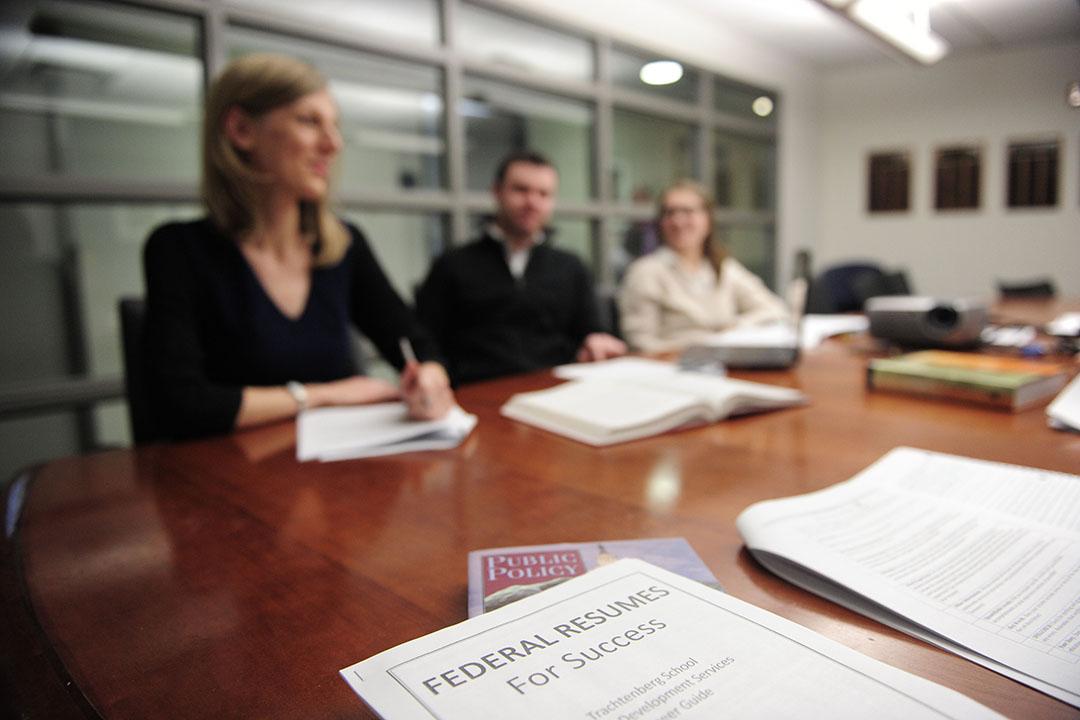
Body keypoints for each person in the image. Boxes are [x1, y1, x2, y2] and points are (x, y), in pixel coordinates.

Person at [143, 53, 453, 439]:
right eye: (309, 121)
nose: (333, 144)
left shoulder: (343, 244)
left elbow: (415, 343)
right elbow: (181, 405)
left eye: (334, 126)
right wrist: (325, 395)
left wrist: (430, 375)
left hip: (336, 464)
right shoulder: (178, 250)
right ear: (241, 130)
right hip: (231, 469)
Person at [415, 151, 626, 384]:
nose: (532, 202)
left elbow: (591, 330)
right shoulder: (453, 265)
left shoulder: (571, 266)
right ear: (497, 191)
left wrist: (596, 341)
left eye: (543, 194)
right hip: (478, 390)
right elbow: (425, 341)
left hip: (555, 387)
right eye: (521, 190)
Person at [618, 179, 789, 353]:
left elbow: (775, 310)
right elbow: (641, 344)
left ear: (708, 220)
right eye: (669, 213)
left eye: (688, 212)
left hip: (724, 361)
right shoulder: (645, 272)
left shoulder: (722, 267)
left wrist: (734, 328)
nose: (677, 221)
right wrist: (703, 347)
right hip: (674, 365)